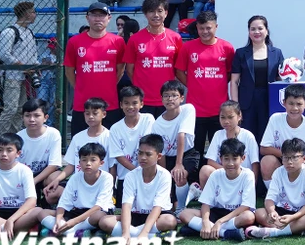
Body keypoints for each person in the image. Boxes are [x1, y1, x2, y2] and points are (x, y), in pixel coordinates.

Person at [175, 10, 235, 155]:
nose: (205, 31)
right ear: (197, 28)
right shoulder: (188, 47)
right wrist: (193, 84)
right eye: (201, 28)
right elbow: (179, 71)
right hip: (196, 110)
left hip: (220, 111)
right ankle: (196, 178)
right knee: (195, 150)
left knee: (221, 151)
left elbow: (230, 74)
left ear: (216, 27)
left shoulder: (227, 48)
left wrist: (216, 83)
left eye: (208, 28)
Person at [98, 134, 178, 240]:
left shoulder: (164, 175)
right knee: (105, 221)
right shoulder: (131, 175)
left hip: (158, 216)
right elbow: (126, 206)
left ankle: (133, 234)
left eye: (148, 154)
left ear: (158, 156)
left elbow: (157, 208)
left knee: (170, 220)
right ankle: (152, 236)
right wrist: (126, 233)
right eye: (140, 153)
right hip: (136, 215)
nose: (143, 157)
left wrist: (143, 233)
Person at [64, 2, 126, 136]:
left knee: (110, 145)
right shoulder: (75, 42)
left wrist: (108, 85)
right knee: (81, 146)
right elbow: (69, 70)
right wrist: (80, 87)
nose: (98, 19)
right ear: (87, 18)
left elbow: (120, 69)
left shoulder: (118, 42)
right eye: (94, 15)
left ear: (109, 18)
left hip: (109, 104)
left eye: (102, 15)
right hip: (83, 104)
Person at [178, 137, 256, 241]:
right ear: (220, 159)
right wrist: (205, 222)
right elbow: (205, 203)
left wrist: (220, 222)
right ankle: (225, 233)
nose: (230, 163)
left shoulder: (248, 175)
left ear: (243, 158)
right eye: (226, 158)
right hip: (217, 212)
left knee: (249, 217)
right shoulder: (216, 174)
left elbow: (245, 206)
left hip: (235, 214)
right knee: (184, 214)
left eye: (234, 158)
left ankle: (201, 229)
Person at [248, 137, 305, 238]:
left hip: (301, 213)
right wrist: (272, 212)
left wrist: (293, 217)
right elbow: (269, 199)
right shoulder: (278, 172)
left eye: (294, 157)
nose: (290, 162)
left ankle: (274, 232)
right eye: (286, 158)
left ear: (304, 159)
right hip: (281, 212)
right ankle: (301, 229)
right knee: (259, 213)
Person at [123, 0, 183, 117]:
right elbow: (129, 69)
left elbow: (177, 69)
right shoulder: (135, 39)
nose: (156, 15)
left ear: (166, 13)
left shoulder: (175, 38)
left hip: (168, 100)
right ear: (145, 14)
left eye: (159, 11)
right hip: (143, 100)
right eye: (151, 11)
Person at [43, 97, 111, 206]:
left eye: (95, 113)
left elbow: (113, 167)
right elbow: (71, 165)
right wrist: (57, 180)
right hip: (78, 182)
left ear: (103, 114)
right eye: (87, 113)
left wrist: (110, 187)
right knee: (51, 195)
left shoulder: (110, 137)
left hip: (99, 183)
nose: (91, 117)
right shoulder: (78, 137)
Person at [37, 142, 113, 238]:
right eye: (84, 160)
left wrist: (73, 222)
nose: (88, 164)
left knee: (99, 216)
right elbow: (63, 203)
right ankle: (71, 231)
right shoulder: (75, 178)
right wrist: (58, 220)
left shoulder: (107, 178)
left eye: (93, 160)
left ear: (101, 163)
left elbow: (98, 206)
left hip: (95, 212)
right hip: (77, 212)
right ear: (79, 162)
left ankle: (68, 231)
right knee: (42, 213)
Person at [230, 15, 284, 139]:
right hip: (247, 102)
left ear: (266, 30)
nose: (256, 32)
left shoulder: (277, 53)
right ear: (249, 32)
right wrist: (235, 106)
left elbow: (281, 79)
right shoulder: (241, 53)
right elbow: (234, 81)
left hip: (269, 101)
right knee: (247, 136)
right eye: (253, 29)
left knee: (267, 136)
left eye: (260, 28)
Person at [0, 1, 39, 140]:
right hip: (12, 75)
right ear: (26, 14)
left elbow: (32, 54)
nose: (35, 15)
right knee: (10, 109)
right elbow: (4, 54)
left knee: (20, 110)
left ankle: (14, 138)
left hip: (25, 76)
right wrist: (21, 65)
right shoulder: (10, 31)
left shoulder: (29, 32)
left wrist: (35, 66)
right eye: (33, 12)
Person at [151, 80, 199, 213]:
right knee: (167, 183)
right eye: (166, 96)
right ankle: (181, 198)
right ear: (161, 99)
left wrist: (179, 165)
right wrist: (163, 174)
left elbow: (181, 135)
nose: (170, 99)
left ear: (182, 98)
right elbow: (161, 152)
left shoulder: (188, 109)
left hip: (187, 154)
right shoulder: (157, 124)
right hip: (168, 158)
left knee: (179, 174)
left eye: (174, 95)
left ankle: (181, 209)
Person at [261, 84, 305, 189]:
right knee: (267, 161)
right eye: (291, 103)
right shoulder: (275, 119)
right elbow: (264, 148)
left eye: (299, 104)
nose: (295, 108)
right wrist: (287, 157)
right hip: (281, 163)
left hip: (300, 167)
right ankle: (274, 195)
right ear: (284, 103)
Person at [195, 100, 260, 194]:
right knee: (205, 170)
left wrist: (252, 187)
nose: (226, 121)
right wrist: (228, 169)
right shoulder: (218, 134)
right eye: (223, 117)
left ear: (239, 116)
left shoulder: (248, 136)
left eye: (230, 117)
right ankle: (209, 200)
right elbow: (210, 161)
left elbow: (255, 164)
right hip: (224, 175)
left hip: (242, 178)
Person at [108, 85, 156, 205]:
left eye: (134, 103)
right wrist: (136, 171)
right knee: (124, 207)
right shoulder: (115, 128)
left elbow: (149, 147)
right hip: (126, 177)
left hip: (148, 175)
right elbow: (118, 156)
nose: (130, 107)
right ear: (121, 105)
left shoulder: (148, 119)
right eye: (126, 103)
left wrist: (144, 172)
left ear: (141, 104)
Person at [16, 99, 61, 207]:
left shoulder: (53, 134)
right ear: (22, 118)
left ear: (45, 118)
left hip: (45, 174)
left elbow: (53, 165)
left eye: (37, 115)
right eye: (27, 116)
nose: (32, 119)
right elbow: (14, 166)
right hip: (25, 176)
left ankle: (47, 205)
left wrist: (34, 181)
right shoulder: (18, 137)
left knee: (57, 178)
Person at [36, 37, 58, 128]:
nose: (51, 48)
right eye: (50, 47)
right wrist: (43, 65)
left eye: (53, 47)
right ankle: (41, 122)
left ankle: (49, 123)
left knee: (53, 102)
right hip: (44, 80)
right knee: (41, 100)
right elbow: (39, 65)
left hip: (55, 80)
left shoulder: (60, 55)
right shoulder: (44, 54)